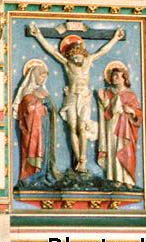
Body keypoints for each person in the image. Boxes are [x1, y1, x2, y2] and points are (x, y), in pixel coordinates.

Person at [28, 24, 125, 174]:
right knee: (72, 128)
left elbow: (103, 51)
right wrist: (39, 36)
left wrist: (115, 39)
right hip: (72, 98)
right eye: (73, 56)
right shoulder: (67, 65)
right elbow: (52, 51)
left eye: (79, 56)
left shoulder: (88, 62)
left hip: (84, 98)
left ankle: (83, 160)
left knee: (82, 128)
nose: (76, 58)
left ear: (83, 55)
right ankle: (78, 161)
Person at [12, 59, 60, 186]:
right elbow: (28, 108)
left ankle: (44, 174)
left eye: (44, 77)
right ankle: (32, 177)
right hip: (32, 128)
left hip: (43, 126)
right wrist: (40, 103)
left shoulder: (43, 91)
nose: (42, 80)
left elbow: (53, 109)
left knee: (45, 150)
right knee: (32, 150)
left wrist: (47, 103)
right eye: (41, 76)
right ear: (34, 76)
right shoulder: (27, 91)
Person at [97, 62, 142, 186]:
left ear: (124, 78)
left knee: (126, 150)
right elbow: (107, 110)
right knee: (113, 150)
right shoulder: (109, 93)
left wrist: (131, 111)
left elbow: (138, 113)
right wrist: (103, 101)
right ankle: (116, 177)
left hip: (126, 126)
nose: (114, 78)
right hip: (112, 124)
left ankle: (128, 179)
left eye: (118, 76)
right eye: (113, 75)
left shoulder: (130, 95)